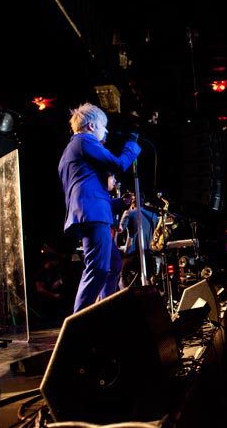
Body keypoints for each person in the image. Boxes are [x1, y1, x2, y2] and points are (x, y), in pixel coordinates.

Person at [58, 103, 141, 312]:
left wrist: (119, 203)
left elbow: (88, 193)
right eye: (104, 127)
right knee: (98, 268)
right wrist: (132, 143)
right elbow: (118, 164)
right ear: (92, 126)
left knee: (113, 265)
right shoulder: (84, 140)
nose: (106, 132)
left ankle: (105, 312)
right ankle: (78, 322)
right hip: (92, 216)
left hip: (89, 213)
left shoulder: (71, 150)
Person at [118, 195, 160, 288]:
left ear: (133, 202)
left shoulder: (129, 213)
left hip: (132, 252)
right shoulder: (153, 215)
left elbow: (120, 229)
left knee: (123, 275)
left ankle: (127, 295)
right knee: (148, 278)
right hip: (149, 252)